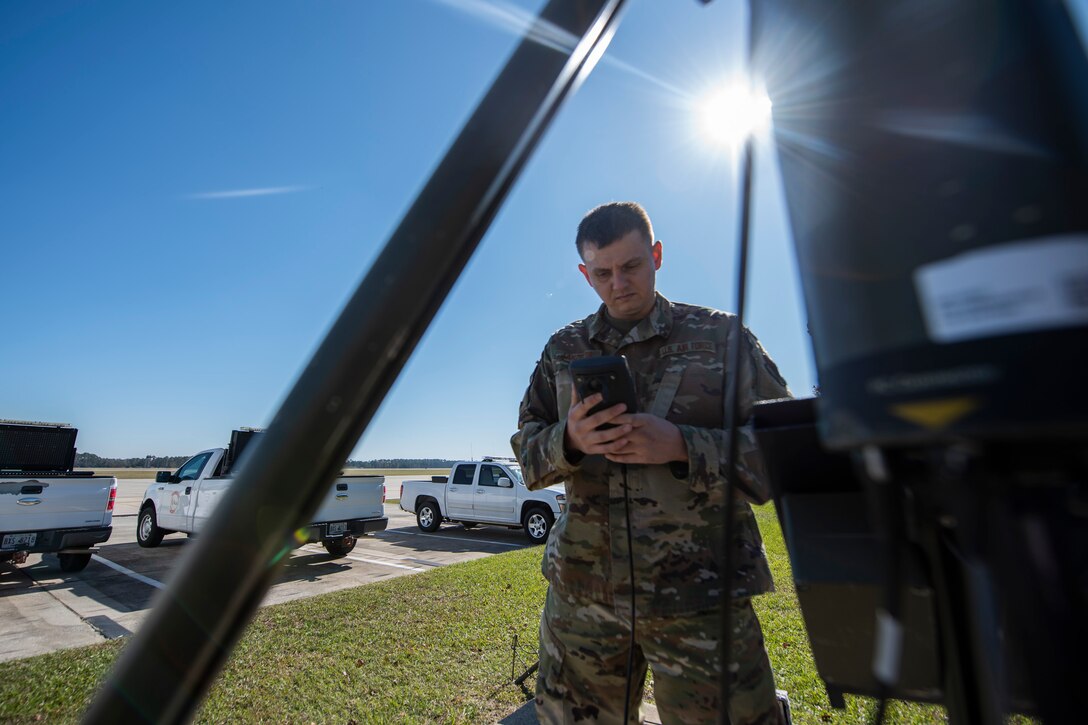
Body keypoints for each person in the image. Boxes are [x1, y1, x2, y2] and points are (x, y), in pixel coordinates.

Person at [511, 201, 790, 724]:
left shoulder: (723, 339)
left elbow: (784, 452)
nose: (618, 284)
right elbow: (527, 454)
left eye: (632, 266)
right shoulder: (563, 350)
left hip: (700, 595)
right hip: (584, 596)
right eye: (603, 273)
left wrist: (684, 445)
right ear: (585, 274)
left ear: (657, 255)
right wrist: (568, 440)